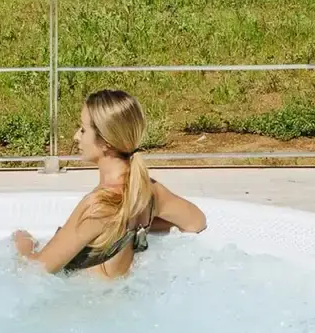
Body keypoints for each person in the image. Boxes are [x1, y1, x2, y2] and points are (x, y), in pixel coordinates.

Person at [13, 90, 207, 278]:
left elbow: (36, 271)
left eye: (83, 129)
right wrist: (141, 226)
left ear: (106, 142)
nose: (76, 137)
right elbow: (196, 222)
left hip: (88, 305)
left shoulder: (97, 206)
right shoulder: (146, 191)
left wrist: (24, 243)